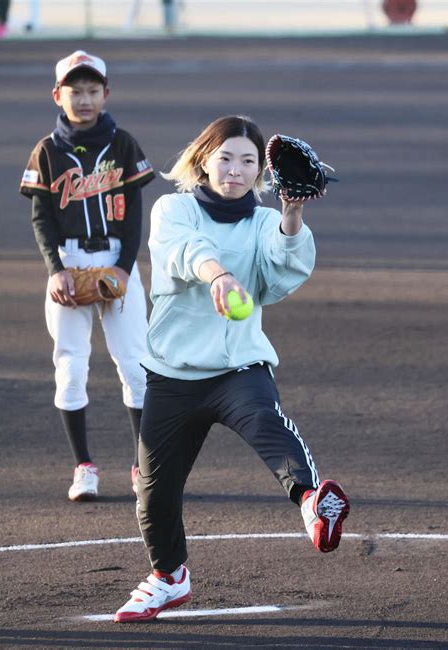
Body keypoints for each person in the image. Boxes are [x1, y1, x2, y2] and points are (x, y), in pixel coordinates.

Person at [114, 115, 350, 623]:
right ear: (203, 160)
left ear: (260, 173)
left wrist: (290, 215)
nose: (236, 170)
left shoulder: (265, 221)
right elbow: (184, 253)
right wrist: (218, 275)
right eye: (226, 158)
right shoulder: (172, 208)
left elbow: (279, 275)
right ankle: (169, 578)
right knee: (154, 492)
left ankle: (312, 504)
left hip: (239, 367)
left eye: (248, 161)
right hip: (174, 374)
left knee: (267, 420)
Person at [19, 51, 155, 501]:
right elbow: (42, 219)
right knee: (71, 367)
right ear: (58, 95)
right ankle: (84, 467)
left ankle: (144, 466)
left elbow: (135, 214)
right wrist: (56, 272)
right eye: (75, 91)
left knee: (136, 364)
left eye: (93, 90)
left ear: (106, 94)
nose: (84, 99)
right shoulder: (47, 150)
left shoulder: (123, 145)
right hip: (69, 262)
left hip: (118, 259)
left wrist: (124, 266)